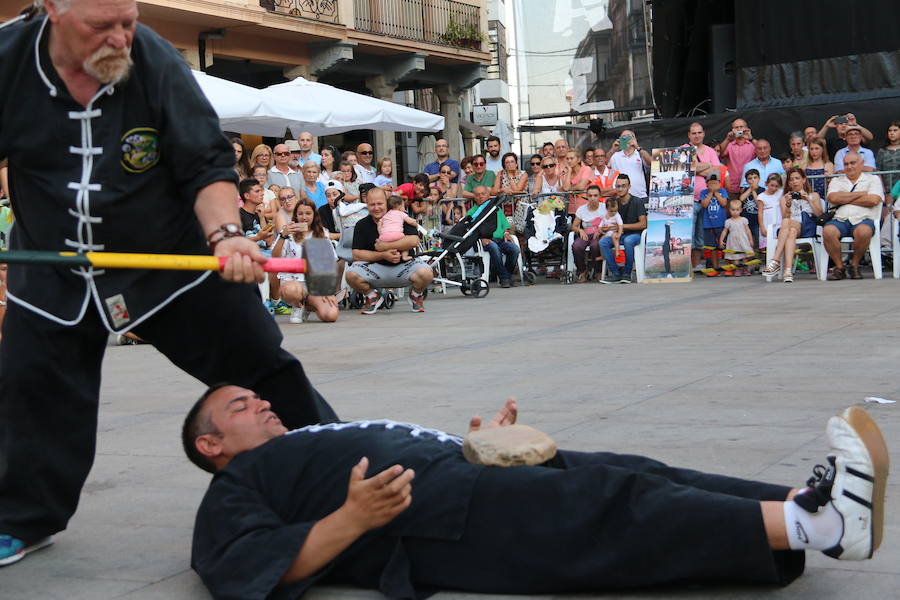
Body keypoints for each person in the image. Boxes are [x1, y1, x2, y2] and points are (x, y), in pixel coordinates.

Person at [0, 0, 340, 565]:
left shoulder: (153, 58)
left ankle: (338, 471)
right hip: (52, 266)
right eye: (100, 26)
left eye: (127, 21)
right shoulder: (8, 61)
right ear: (51, 10)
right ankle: (21, 518)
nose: (119, 38)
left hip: (170, 259)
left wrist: (228, 234)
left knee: (260, 363)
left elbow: (205, 162)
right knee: (29, 386)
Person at [185, 384, 889, 600]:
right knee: (607, 509)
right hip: (430, 513)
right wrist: (352, 518)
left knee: (639, 475)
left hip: (468, 472)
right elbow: (241, 567)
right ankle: (826, 531)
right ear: (208, 446)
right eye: (240, 407)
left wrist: (479, 440)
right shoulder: (238, 484)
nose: (263, 404)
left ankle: (806, 506)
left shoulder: (304, 439)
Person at [345, 188, 433, 314]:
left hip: (404, 267)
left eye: (380, 204)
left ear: (386, 203)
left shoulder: (399, 216)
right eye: (372, 204)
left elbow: (414, 241)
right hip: (375, 269)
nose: (376, 208)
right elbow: (356, 254)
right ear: (366, 204)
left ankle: (415, 294)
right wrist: (383, 255)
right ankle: (372, 296)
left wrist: (383, 246)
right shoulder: (361, 225)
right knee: (350, 274)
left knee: (427, 272)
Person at [273, 198, 339, 325]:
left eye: (308, 213)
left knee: (331, 315)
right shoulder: (288, 233)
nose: (304, 217)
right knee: (291, 291)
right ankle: (297, 306)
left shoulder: (322, 233)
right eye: (300, 214)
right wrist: (283, 235)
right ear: (296, 215)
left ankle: (308, 306)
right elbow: (275, 257)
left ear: (314, 215)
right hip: (293, 282)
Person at [823, 152, 884, 280]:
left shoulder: (873, 179)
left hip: (864, 218)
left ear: (861, 164)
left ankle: (854, 265)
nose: (849, 166)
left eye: (853, 163)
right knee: (828, 231)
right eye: (846, 164)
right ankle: (839, 267)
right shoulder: (836, 180)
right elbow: (832, 197)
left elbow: (873, 200)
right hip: (840, 219)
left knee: (863, 231)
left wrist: (844, 198)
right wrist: (861, 194)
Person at [760, 168, 824, 282]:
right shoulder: (784, 198)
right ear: (788, 183)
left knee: (787, 223)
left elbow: (819, 214)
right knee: (791, 230)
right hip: (791, 228)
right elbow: (785, 216)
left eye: (797, 178)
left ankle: (775, 260)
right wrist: (788, 204)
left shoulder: (813, 195)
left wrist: (808, 200)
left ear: (803, 180)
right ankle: (788, 271)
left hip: (807, 226)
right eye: (791, 179)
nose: (794, 181)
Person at [685, 122, 726, 269]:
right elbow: (685, 169)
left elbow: (716, 173)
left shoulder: (710, 151)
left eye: (699, 132)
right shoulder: (684, 150)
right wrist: (707, 167)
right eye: (694, 133)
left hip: (708, 200)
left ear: (703, 133)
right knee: (688, 234)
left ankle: (696, 265)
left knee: (701, 235)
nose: (697, 135)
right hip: (688, 199)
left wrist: (696, 168)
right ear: (689, 135)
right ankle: (686, 266)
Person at [599, 174, 646, 283]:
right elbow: (608, 219)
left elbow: (643, 224)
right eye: (618, 186)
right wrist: (605, 227)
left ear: (629, 186)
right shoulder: (613, 202)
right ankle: (615, 273)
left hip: (635, 234)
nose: (620, 189)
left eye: (623, 186)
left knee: (628, 240)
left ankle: (627, 273)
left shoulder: (637, 201)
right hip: (617, 234)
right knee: (603, 242)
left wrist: (622, 226)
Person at [468, 186, 518, 288]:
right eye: (478, 195)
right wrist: (481, 238)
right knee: (494, 248)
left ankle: (507, 276)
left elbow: (505, 226)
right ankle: (504, 278)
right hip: (484, 241)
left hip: (500, 239)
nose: (481, 197)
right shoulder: (472, 212)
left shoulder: (496, 208)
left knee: (514, 249)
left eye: (483, 194)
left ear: (488, 195)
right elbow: (469, 230)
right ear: (474, 197)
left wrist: (506, 234)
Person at [570, 184, 607, 282]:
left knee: (595, 246)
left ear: (600, 196)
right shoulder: (582, 209)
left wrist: (601, 231)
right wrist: (580, 230)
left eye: (595, 195)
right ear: (586, 196)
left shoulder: (604, 208)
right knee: (576, 246)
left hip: (600, 234)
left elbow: (611, 223)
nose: (593, 198)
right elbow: (573, 226)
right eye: (590, 196)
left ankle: (598, 271)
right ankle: (582, 271)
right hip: (586, 234)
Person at [608, 129, 650, 204]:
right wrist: (613, 149)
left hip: (640, 196)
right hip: (621, 198)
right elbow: (604, 164)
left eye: (628, 137)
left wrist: (638, 147)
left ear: (634, 139)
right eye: (623, 137)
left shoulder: (640, 154)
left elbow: (651, 162)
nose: (626, 139)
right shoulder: (615, 155)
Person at [717, 117, 756, 198]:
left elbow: (763, 152)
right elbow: (718, 154)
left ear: (746, 128)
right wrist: (727, 139)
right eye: (736, 127)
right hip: (732, 187)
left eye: (741, 127)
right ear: (732, 129)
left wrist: (751, 139)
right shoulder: (730, 145)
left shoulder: (752, 145)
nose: (739, 129)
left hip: (749, 186)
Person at [699, 174, 728, 275]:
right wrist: (711, 193)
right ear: (707, 184)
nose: (713, 185)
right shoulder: (703, 193)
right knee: (712, 247)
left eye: (716, 183)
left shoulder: (722, 191)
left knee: (724, 245)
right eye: (711, 183)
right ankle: (715, 267)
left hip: (721, 224)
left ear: (720, 183)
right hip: (708, 224)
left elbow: (724, 203)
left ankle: (729, 266)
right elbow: (704, 204)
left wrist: (716, 192)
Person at [377, 195, 420, 262]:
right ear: (399, 206)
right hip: (397, 235)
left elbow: (379, 224)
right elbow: (410, 221)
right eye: (403, 206)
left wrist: (381, 233)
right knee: (406, 243)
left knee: (389, 245)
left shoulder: (385, 215)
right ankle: (404, 255)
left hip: (384, 236)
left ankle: (394, 254)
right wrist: (416, 224)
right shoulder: (401, 213)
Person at [719, 199, 756, 276]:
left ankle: (746, 269)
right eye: (733, 210)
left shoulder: (743, 220)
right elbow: (725, 231)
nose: (735, 212)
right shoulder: (728, 221)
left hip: (743, 240)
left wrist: (750, 240)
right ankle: (737, 269)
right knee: (735, 257)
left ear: (741, 210)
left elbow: (748, 230)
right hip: (733, 242)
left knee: (745, 256)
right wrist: (721, 240)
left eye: (737, 210)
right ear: (729, 210)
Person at [757, 173, 785, 252]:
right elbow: (760, 212)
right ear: (767, 184)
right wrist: (762, 226)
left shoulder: (781, 193)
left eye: (776, 186)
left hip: (779, 220)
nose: (774, 188)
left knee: (779, 243)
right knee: (768, 245)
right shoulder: (761, 197)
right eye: (772, 185)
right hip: (767, 222)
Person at [561, 148, 594, 214]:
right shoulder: (566, 171)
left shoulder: (586, 169)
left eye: (571, 158)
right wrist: (569, 171)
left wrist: (569, 190)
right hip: (571, 210)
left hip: (585, 208)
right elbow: (565, 188)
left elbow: (581, 186)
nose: (569, 161)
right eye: (567, 159)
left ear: (578, 160)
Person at [738, 169, 764, 247]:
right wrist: (750, 189)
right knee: (746, 240)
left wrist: (753, 191)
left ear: (759, 179)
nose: (753, 180)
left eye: (755, 177)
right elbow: (741, 199)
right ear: (746, 181)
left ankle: (760, 255)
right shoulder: (745, 189)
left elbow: (758, 203)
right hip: (746, 220)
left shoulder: (762, 190)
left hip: (757, 220)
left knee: (759, 239)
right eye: (750, 178)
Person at [598, 197, 623, 262]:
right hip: (607, 232)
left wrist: (619, 233)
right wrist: (600, 228)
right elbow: (601, 222)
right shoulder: (605, 215)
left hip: (615, 231)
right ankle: (602, 256)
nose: (614, 212)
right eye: (611, 211)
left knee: (615, 237)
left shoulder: (617, 215)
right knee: (600, 241)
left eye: (615, 210)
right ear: (607, 209)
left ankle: (617, 251)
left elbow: (620, 225)